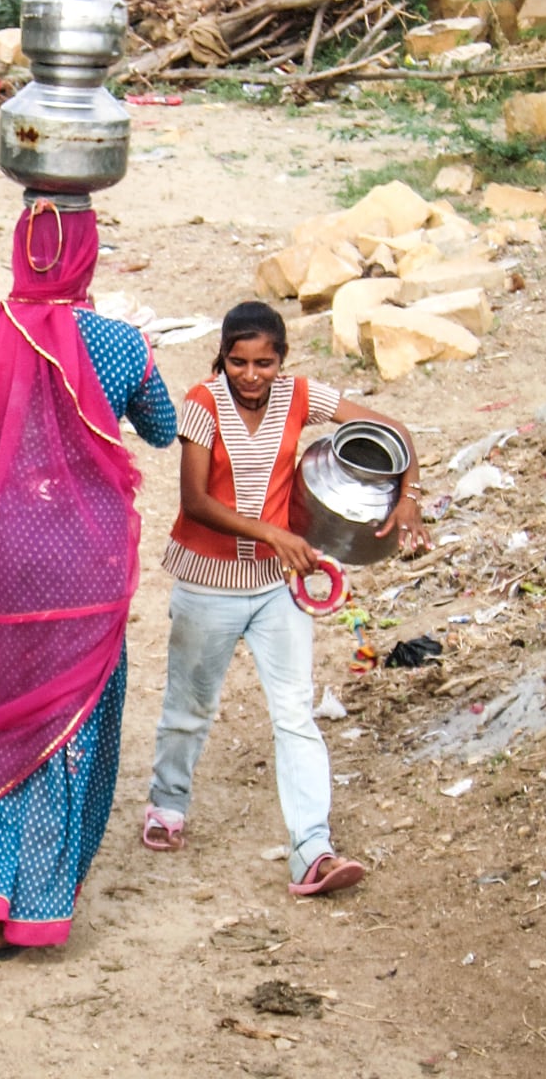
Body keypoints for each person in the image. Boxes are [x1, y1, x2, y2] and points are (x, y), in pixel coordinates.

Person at [0, 199, 177, 959]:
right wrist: (140, 355)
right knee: (67, 728)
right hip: (81, 571)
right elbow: (159, 429)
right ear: (87, 258)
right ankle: (17, 906)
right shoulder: (121, 346)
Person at [143, 300, 431, 896]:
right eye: (239, 362)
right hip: (207, 583)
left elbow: (394, 430)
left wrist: (409, 494)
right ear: (222, 358)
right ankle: (167, 805)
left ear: (282, 360)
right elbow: (195, 501)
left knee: (295, 713)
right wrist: (275, 533)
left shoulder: (300, 395)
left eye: (265, 363)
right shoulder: (202, 403)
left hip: (277, 587)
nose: (252, 375)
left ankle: (313, 850)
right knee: (190, 708)